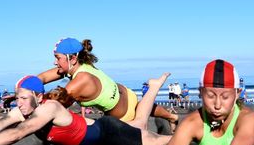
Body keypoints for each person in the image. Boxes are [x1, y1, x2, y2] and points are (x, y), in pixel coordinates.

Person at [0, 74, 173, 145]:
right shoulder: (22, 111)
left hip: (108, 133)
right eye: (17, 98)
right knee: (140, 125)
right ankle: (152, 89)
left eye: (24, 98)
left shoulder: (49, 108)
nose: (20, 103)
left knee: (164, 142)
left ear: (38, 96)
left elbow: (16, 134)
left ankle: (154, 90)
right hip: (97, 136)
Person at [37, 38, 178, 130]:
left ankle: (167, 125)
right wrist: (25, 88)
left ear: (72, 59)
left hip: (124, 118)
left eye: (57, 58)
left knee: (138, 120)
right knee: (140, 106)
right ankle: (172, 117)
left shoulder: (79, 82)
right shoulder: (83, 64)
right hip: (127, 93)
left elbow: (53, 106)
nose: (55, 62)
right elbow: (41, 78)